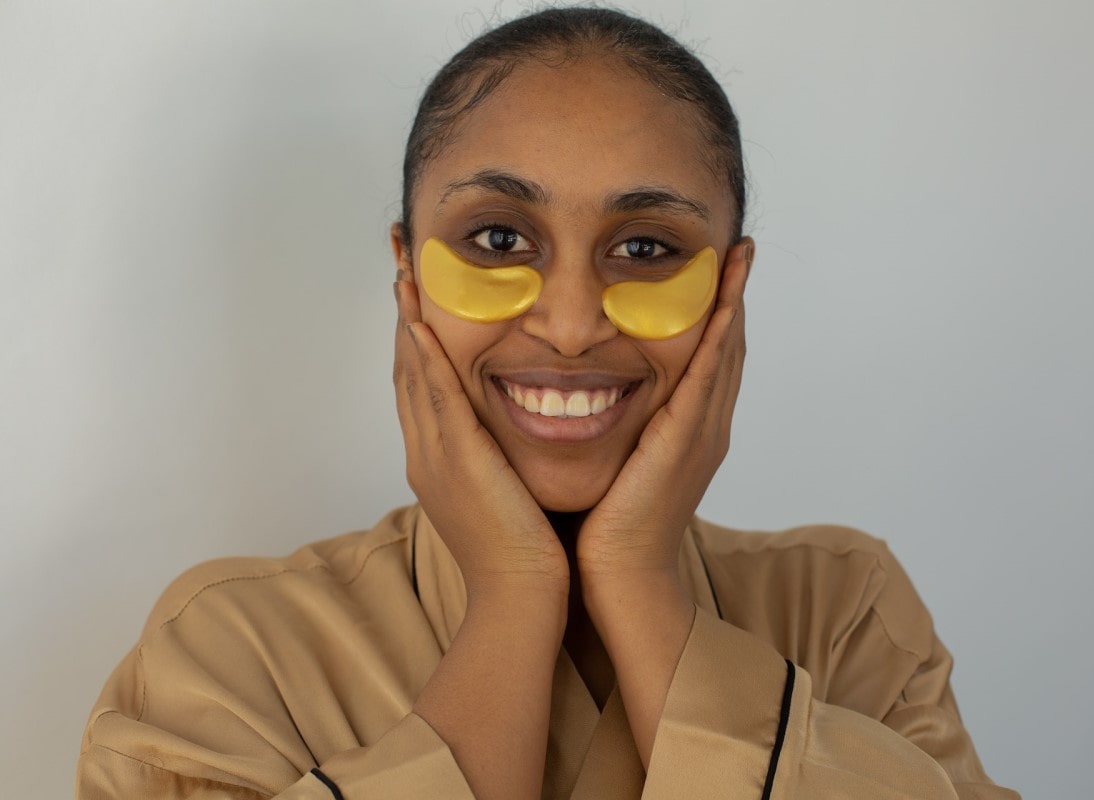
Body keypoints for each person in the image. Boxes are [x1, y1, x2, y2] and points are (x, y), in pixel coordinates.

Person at [77, 7, 1018, 799]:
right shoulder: (228, 653)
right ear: (407, 270)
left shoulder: (843, 611)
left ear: (731, 290)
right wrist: (515, 594)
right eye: (497, 237)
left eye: (645, 248)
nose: (571, 323)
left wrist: (641, 584)